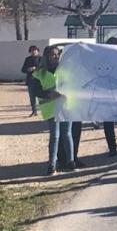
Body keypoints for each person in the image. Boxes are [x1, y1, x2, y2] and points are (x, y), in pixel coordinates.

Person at [30, 46, 76, 175]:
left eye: (57, 54)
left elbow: (74, 83)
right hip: (51, 107)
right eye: (53, 54)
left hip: (66, 106)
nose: (56, 57)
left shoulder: (65, 69)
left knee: (67, 134)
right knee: (55, 136)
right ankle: (52, 164)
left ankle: (71, 162)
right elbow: (35, 90)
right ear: (46, 56)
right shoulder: (40, 73)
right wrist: (48, 94)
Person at [21, 45, 41, 117]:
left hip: (40, 81)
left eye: (35, 50)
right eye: (32, 50)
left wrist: (36, 68)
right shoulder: (27, 59)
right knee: (32, 97)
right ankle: (34, 111)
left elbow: (44, 69)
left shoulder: (41, 59)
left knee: (41, 96)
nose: (34, 51)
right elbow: (23, 70)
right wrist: (28, 69)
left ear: (38, 51)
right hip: (31, 81)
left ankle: (44, 110)